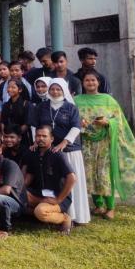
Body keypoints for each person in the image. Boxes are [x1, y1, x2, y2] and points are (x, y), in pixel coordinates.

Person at [74, 70, 135, 220]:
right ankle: (98, 205)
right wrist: (80, 123)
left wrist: (107, 122)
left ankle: (110, 207)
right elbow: (73, 119)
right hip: (87, 143)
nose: (90, 83)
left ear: (98, 82)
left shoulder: (108, 99)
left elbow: (118, 121)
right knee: (90, 173)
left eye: (93, 80)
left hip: (105, 143)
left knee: (104, 174)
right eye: (87, 80)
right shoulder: (77, 100)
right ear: (83, 83)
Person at [29, 78, 90, 225]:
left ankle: (75, 216)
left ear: (64, 90)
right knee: (55, 182)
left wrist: (63, 143)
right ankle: (56, 212)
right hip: (49, 152)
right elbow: (34, 126)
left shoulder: (71, 107)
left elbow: (76, 127)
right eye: (52, 89)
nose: (55, 92)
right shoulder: (42, 107)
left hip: (69, 151)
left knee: (70, 180)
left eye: (58, 89)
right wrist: (35, 142)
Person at [23, 124, 76, 235]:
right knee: (19, 197)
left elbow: (72, 178)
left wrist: (58, 200)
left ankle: (65, 219)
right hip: (40, 195)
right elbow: (29, 176)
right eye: (38, 136)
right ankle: (43, 208)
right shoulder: (33, 154)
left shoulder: (58, 155)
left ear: (51, 139)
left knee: (40, 211)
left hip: (57, 197)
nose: (40, 138)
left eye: (44, 136)